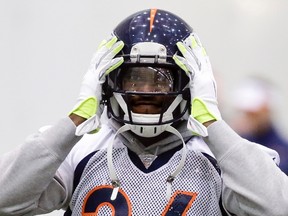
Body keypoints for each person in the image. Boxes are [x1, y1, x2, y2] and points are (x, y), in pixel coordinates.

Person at [0, 8, 288, 216]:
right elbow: (5, 199)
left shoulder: (225, 159)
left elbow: (278, 207)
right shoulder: (81, 150)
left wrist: (212, 124)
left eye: (161, 80)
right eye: (134, 78)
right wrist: (74, 121)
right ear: (107, 81)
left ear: (191, 84)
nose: (145, 92)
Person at [229, 76, 288, 175]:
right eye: (245, 112)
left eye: (253, 113)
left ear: (267, 110)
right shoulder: (240, 138)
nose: (247, 117)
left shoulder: (282, 150)